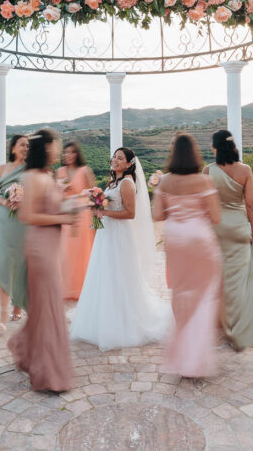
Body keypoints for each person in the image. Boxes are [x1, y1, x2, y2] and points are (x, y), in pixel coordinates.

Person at [70, 147, 171, 352]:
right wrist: (96, 204)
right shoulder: (113, 182)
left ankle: (122, 321)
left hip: (120, 234)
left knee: (120, 276)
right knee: (104, 273)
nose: (115, 160)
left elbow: (130, 213)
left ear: (128, 164)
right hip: (107, 233)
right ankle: (102, 316)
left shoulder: (126, 183)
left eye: (120, 158)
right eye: (114, 157)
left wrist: (102, 211)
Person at [8, 129, 76, 392]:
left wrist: (68, 203)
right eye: (55, 146)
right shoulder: (32, 176)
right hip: (40, 247)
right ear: (45, 148)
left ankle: (23, 347)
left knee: (45, 305)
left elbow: (49, 205)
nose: (58, 150)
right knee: (48, 308)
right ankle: (49, 374)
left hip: (51, 245)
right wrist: (63, 218)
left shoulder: (47, 175)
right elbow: (28, 217)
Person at [153, 133, 222, 377]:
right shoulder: (204, 181)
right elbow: (215, 217)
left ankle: (180, 352)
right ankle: (195, 358)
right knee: (203, 294)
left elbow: (157, 215)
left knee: (180, 291)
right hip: (199, 239)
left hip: (175, 239)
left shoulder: (165, 181)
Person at [204, 129, 253, 351]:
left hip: (216, 229)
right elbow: (250, 203)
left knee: (219, 279)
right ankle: (242, 327)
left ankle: (221, 328)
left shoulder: (208, 170)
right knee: (241, 280)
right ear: (233, 147)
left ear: (214, 148)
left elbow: (205, 206)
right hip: (239, 227)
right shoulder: (245, 170)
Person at [0, 134, 29, 328]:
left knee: (21, 269)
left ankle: (17, 309)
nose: (26, 148)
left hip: (24, 224)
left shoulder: (31, 170)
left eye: (28, 145)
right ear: (13, 148)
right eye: (22, 145)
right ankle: (3, 314)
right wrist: (4, 201)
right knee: (4, 267)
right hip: (5, 224)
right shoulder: (2, 169)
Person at [56, 141, 96, 300]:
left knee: (81, 252)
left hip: (82, 216)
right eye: (66, 152)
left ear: (77, 154)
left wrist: (78, 197)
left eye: (72, 152)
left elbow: (93, 193)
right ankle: (65, 287)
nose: (68, 155)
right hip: (65, 216)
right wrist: (60, 191)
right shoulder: (59, 172)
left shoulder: (85, 171)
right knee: (64, 252)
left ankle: (82, 288)